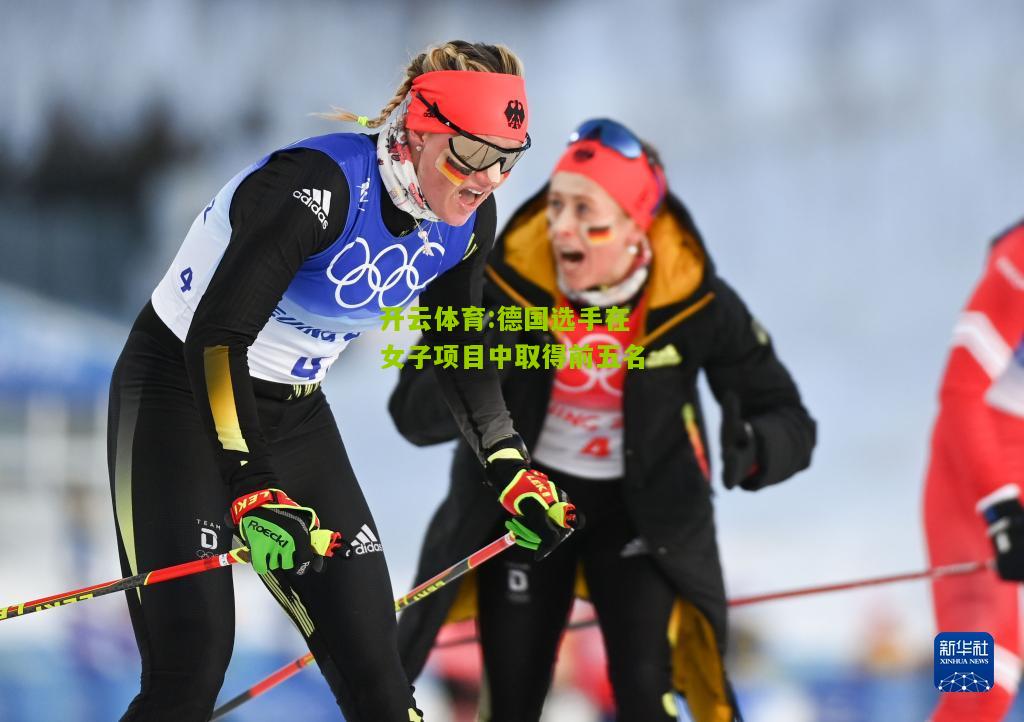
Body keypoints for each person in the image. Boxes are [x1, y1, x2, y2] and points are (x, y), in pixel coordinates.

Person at [106, 40, 577, 722]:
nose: (486, 179)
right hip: (180, 393)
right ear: (421, 128)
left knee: (381, 681)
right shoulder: (316, 189)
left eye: (507, 158)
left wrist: (509, 465)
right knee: (192, 664)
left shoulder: (466, 221)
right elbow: (218, 338)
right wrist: (249, 485)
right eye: (471, 153)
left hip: (292, 412)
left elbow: (456, 349)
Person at [389, 118, 817, 722]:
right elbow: (412, 415)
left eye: (586, 212)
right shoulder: (505, 285)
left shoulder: (691, 297)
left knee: (646, 691)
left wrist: (756, 447)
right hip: (528, 506)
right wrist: (489, 352)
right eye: (556, 204)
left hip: (641, 515)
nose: (562, 227)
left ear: (635, 227)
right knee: (510, 698)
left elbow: (787, 414)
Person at [924, 218, 1024, 721]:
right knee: (976, 690)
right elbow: (959, 393)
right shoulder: (1020, 259)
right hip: (972, 486)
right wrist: (1002, 508)